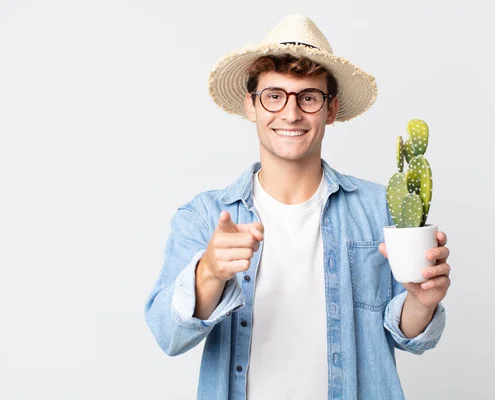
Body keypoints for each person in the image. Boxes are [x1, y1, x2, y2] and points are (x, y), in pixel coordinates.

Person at [145, 14, 451, 400]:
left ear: (330, 109)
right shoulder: (204, 216)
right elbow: (167, 335)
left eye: (308, 97)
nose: (290, 113)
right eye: (274, 96)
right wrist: (208, 273)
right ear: (251, 105)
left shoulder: (381, 208)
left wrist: (422, 301)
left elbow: (410, 338)